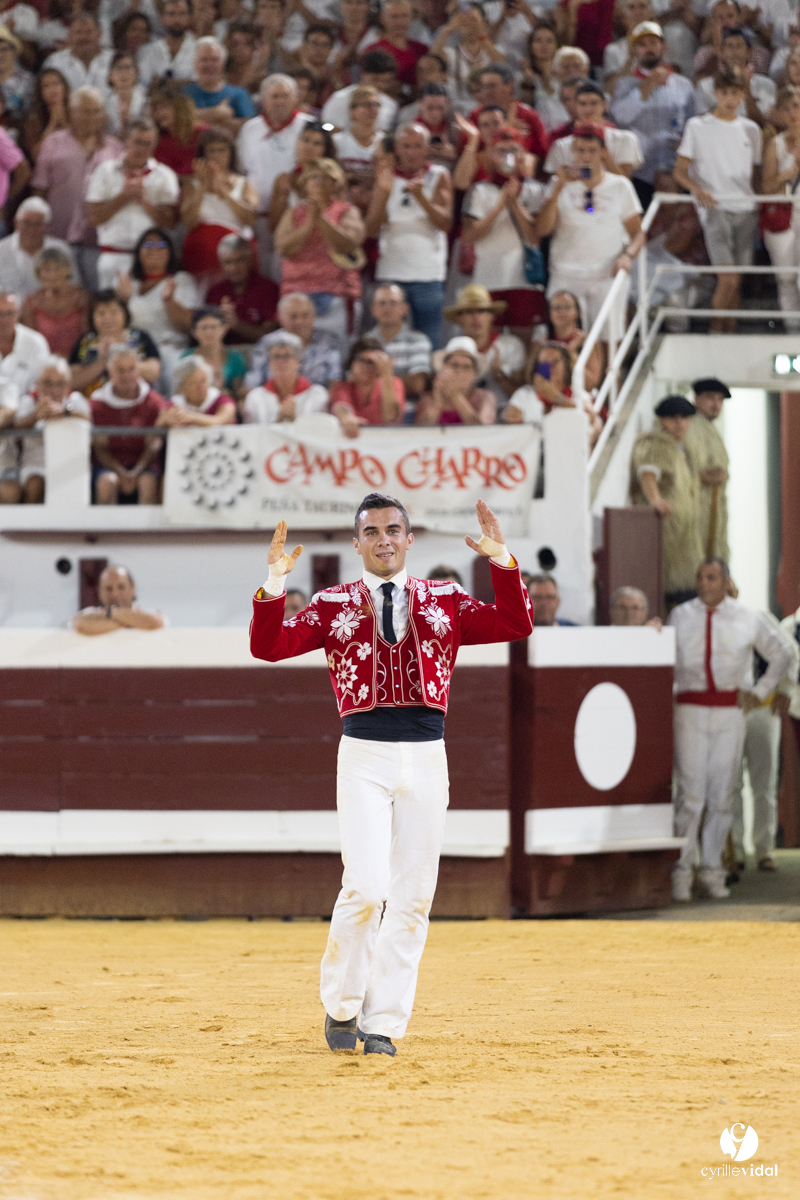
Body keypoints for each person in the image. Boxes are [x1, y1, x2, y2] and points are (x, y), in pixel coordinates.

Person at [250, 495, 533, 1055]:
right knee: (365, 886)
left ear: (409, 539)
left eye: (393, 530)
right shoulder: (333, 603)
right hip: (364, 755)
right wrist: (275, 583)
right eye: (373, 531)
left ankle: (382, 1023)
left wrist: (502, 560)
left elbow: (515, 622)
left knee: (413, 894)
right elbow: (269, 646)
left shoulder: (445, 598)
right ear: (356, 543)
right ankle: (342, 1004)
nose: (384, 539)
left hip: (428, 755)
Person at [668, 558, 796, 901]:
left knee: (721, 794)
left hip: (730, 712)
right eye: (700, 576)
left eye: (711, 577)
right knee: (690, 795)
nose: (703, 583)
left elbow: (784, 651)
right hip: (689, 709)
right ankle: (682, 872)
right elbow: (668, 659)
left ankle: (712, 870)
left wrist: (761, 691)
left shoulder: (747, 616)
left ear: (726, 582)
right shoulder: (681, 615)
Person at [537, 124, 644, 348]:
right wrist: (558, 188)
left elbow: (638, 234)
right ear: (572, 151)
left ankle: (609, 372)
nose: (586, 156)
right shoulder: (557, 185)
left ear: (603, 152)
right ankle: (558, 372)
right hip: (565, 274)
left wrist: (627, 256)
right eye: (580, 150)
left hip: (605, 276)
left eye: (592, 150)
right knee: (561, 339)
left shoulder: (620, 185)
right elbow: (543, 230)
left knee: (607, 341)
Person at [674, 66, 761, 332]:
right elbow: (680, 171)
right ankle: (714, 331)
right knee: (728, 278)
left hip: (746, 208)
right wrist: (697, 190)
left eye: (735, 93)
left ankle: (728, 332)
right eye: (724, 93)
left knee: (738, 279)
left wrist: (757, 202)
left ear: (742, 94)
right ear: (715, 94)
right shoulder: (697, 126)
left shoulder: (751, 129)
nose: (729, 98)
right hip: (714, 206)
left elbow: (755, 173)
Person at [367, 123, 453, 349]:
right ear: (397, 148)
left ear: (427, 149)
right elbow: (371, 228)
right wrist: (383, 192)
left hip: (428, 273)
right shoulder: (385, 177)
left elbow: (445, 223)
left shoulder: (439, 175)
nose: (411, 152)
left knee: (429, 340)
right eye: (406, 146)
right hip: (391, 271)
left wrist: (422, 198)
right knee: (387, 340)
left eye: (417, 146)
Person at [30, 86, 121, 293]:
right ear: (72, 112)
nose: (93, 117)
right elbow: (40, 189)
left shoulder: (114, 147)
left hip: (98, 236)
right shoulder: (53, 143)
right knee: (64, 292)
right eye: (86, 111)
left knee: (98, 293)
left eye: (97, 111)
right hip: (59, 232)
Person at [461, 126, 546, 343]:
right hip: (488, 279)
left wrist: (515, 204)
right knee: (488, 339)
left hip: (524, 279)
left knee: (525, 340)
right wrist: (499, 206)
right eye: (501, 150)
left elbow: (534, 236)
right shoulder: (480, 190)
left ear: (523, 154)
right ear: (491, 154)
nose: (508, 156)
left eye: (514, 150)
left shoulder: (536, 189)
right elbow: (470, 235)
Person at [274, 157, 365, 344]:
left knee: (337, 349)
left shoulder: (347, 211)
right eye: (313, 177)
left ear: (335, 183)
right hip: (296, 294)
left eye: (325, 177)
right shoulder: (294, 213)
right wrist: (309, 223)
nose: (318, 182)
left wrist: (322, 220)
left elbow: (349, 244)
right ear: (305, 183)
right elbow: (282, 247)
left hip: (336, 294)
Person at [610, 21, 696, 209]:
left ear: (663, 47)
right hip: (640, 172)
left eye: (653, 43)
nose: (648, 48)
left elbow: (692, 124)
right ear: (634, 50)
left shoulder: (683, 85)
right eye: (642, 44)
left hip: (675, 171)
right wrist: (646, 87)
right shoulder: (624, 84)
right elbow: (620, 117)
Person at [86, 120, 180, 290]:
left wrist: (143, 200)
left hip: (149, 260)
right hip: (112, 255)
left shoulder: (165, 176)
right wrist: (124, 197)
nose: (141, 149)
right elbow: (93, 218)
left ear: (155, 145)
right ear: (126, 141)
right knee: (109, 305)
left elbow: (170, 222)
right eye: (137, 142)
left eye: (148, 144)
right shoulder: (104, 171)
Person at [630, 394, 704, 608]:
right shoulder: (655, 444)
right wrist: (656, 500)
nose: (679, 423)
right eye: (673, 418)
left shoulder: (683, 448)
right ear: (662, 420)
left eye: (684, 417)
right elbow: (647, 473)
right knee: (669, 592)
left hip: (685, 534)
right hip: (666, 532)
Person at [730, 642, 798, 875]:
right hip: (730, 708)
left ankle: (764, 849)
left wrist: (785, 689)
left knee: (765, 782)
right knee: (731, 783)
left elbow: (790, 650)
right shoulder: (721, 625)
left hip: (764, 707)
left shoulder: (764, 625)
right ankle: (735, 848)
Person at [116, 227, 199, 391]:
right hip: (136, 352)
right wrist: (123, 301)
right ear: (138, 252)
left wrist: (169, 301)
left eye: (160, 245)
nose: (153, 249)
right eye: (148, 245)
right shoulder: (128, 283)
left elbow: (187, 325)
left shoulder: (180, 280)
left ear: (170, 252)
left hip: (169, 350)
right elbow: (116, 325)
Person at [89, 343, 165, 505]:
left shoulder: (153, 402)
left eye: (131, 369)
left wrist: (136, 471)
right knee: (107, 481)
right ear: (110, 372)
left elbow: (154, 443)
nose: (127, 375)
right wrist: (120, 472)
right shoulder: (98, 403)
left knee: (147, 482)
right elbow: (100, 447)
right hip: (109, 466)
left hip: (144, 466)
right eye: (120, 370)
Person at [236, 74, 314, 231]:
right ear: (263, 100)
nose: (280, 101)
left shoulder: (310, 125)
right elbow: (242, 168)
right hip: (257, 214)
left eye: (285, 96)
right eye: (275, 96)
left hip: (298, 214)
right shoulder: (250, 129)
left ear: (295, 99)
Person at [180, 126, 259, 279]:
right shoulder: (192, 185)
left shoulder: (244, 183)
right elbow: (188, 222)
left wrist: (223, 191)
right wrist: (203, 187)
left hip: (235, 253)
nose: (217, 156)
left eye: (222, 150)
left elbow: (250, 218)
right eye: (212, 151)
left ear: (231, 153)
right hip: (201, 252)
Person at [11, 354, 91, 504]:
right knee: (35, 485)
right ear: (37, 384)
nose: (54, 389)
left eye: (60, 383)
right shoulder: (28, 402)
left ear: (67, 385)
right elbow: (16, 425)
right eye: (47, 383)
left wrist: (65, 412)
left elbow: (89, 419)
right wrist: (36, 416)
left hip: (70, 466)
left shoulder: (75, 400)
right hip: (35, 466)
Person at [442, 284, 526, 411]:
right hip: (463, 415)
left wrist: (500, 377)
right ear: (460, 318)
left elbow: (522, 395)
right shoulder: (453, 350)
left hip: (505, 413)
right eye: (470, 312)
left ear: (492, 316)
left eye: (482, 311)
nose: (476, 318)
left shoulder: (511, 346)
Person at [543, 80, 644, 179]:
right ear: (575, 106)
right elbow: (556, 181)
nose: (588, 109)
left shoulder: (626, 139)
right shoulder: (561, 145)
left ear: (604, 105)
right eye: (583, 104)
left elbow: (625, 181)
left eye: (594, 103)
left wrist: (606, 159)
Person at [69, 289, 160, 397]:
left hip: (137, 398)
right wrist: (101, 363)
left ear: (124, 313)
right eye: (101, 313)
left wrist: (122, 362)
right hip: (94, 400)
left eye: (114, 312)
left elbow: (153, 373)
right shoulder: (85, 342)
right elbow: (71, 380)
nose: (107, 318)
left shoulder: (140, 337)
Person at [246, 291, 342, 390]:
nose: (299, 321)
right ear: (280, 318)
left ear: (314, 316)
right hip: (272, 398)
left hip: (319, 398)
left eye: (305, 315)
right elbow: (251, 385)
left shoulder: (329, 340)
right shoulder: (266, 343)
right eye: (293, 316)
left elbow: (335, 382)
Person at [761, 85, 800, 328]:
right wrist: (790, 172)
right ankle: (792, 332)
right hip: (783, 215)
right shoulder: (775, 143)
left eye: (796, 106)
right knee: (785, 278)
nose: (792, 113)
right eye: (786, 108)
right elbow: (767, 188)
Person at [684, 376, 730, 561]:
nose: (716, 404)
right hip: (696, 507)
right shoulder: (692, 426)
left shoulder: (710, 428)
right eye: (710, 397)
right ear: (696, 399)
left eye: (720, 399)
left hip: (713, 508)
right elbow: (683, 469)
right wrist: (705, 477)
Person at [364, 283, 432, 408]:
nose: (387, 308)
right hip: (370, 409)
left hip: (408, 409)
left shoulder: (418, 340)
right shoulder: (364, 342)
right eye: (382, 303)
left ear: (404, 308)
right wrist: (399, 380)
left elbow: (418, 383)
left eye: (393, 303)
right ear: (373, 309)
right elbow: (357, 383)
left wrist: (381, 377)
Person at [243, 330, 329, 423]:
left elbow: (321, 430)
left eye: (286, 356)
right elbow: (250, 430)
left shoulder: (317, 395)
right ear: (269, 362)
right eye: (276, 356)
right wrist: (279, 420)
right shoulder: (255, 397)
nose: (281, 362)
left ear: (298, 361)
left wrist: (295, 420)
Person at [0, 198, 77, 302]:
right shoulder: (2, 249)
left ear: (48, 227)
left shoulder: (61, 250)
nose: (32, 230)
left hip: (51, 308)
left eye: (38, 224)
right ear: (16, 223)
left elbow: (74, 287)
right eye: (26, 223)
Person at [206, 233, 279, 343]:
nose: (234, 268)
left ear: (250, 260)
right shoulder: (215, 292)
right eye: (228, 262)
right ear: (221, 264)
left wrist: (236, 324)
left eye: (239, 260)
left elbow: (272, 336)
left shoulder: (268, 289)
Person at [693, 29, 775, 126]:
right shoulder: (705, 85)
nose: (734, 51)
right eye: (729, 46)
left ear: (749, 52)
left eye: (739, 46)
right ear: (721, 52)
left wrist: (747, 90)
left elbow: (762, 123)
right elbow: (703, 122)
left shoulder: (766, 84)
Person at [267, 120, 337, 231]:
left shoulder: (334, 179)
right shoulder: (284, 180)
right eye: (305, 140)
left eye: (317, 143)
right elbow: (274, 225)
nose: (309, 147)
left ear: (325, 149)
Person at [20, 247, 89, 357]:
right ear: (39, 273)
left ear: (67, 270)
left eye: (57, 269)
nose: (52, 274)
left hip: (77, 360)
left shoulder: (82, 299)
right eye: (47, 270)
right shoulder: (31, 302)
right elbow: (28, 340)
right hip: (42, 360)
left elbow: (87, 338)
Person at [329, 336, 405, 435]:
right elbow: (341, 407)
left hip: (386, 438)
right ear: (352, 363)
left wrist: (386, 374)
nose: (366, 366)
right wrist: (346, 417)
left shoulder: (393, 383)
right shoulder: (342, 387)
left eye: (371, 362)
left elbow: (391, 417)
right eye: (361, 360)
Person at [183, 37, 256, 137]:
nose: (209, 65)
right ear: (195, 63)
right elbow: (178, 121)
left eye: (215, 60)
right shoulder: (183, 93)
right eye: (204, 59)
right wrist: (217, 113)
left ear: (223, 63)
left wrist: (197, 118)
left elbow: (249, 127)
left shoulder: (239, 93)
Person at [415, 336, 496, 425]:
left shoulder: (485, 398)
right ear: (443, 368)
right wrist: (438, 402)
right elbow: (421, 429)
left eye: (466, 367)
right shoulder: (428, 398)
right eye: (454, 365)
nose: (459, 371)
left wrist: (456, 396)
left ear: (474, 373)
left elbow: (483, 430)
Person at [72, 563, 165, 635]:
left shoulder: (149, 612)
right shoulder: (90, 613)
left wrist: (109, 613)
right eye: (108, 588)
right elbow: (80, 624)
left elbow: (156, 623)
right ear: (99, 592)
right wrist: (132, 621)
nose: (115, 594)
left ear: (132, 588)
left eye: (121, 587)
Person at [320, 49, 399, 133]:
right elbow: (326, 127)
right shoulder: (340, 98)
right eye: (375, 79)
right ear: (362, 74)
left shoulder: (391, 105)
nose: (380, 85)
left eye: (385, 81)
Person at [546, 290, 605, 394]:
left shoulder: (588, 342)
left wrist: (571, 355)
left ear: (577, 312)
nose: (562, 312)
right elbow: (543, 380)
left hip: (578, 397)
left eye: (567, 307)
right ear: (549, 313)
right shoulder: (543, 343)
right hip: (550, 397)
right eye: (557, 308)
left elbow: (590, 384)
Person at [182, 305, 247, 398]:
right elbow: (182, 391)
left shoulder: (236, 358)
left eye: (213, 327)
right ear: (194, 332)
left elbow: (239, 391)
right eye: (204, 327)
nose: (209, 332)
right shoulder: (187, 358)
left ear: (224, 328)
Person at [158, 355, 236, 427]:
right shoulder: (175, 404)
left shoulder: (223, 401)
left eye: (203, 381)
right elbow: (158, 426)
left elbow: (219, 421)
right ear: (182, 387)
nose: (201, 387)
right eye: (194, 383)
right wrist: (166, 419)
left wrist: (190, 416)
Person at [44, 14, 114, 93]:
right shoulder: (55, 62)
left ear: (99, 34)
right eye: (78, 32)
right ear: (69, 35)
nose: (83, 37)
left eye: (88, 32)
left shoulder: (114, 60)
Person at [150, 84, 206, 179]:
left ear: (180, 108)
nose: (159, 113)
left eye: (164, 107)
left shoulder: (203, 135)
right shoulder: (159, 140)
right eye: (156, 109)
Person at [138, 0, 197, 88]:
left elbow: (199, 84)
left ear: (190, 17)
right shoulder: (148, 51)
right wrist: (183, 82)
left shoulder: (199, 48)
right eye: (171, 14)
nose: (176, 20)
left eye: (182, 14)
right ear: (162, 18)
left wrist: (162, 83)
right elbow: (145, 84)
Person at [371, 0, 428, 91]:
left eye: (404, 16)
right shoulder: (374, 50)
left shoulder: (422, 49)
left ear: (411, 17)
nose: (400, 22)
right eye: (394, 17)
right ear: (382, 19)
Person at [332, 85, 383, 177]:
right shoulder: (337, 141)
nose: (373, 109)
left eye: (376, 105)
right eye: (367, 105)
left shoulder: (384, 142)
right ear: (352, 110)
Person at [22, 68, 70, 164]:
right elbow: (36, 156)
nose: (53, 89)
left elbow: (83, 144)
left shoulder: (77, 111)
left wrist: (63, 121)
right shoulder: (33, 120)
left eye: (56, 83)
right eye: (46, 86)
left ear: (64, 86)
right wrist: (52, 123)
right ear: (40, 92)